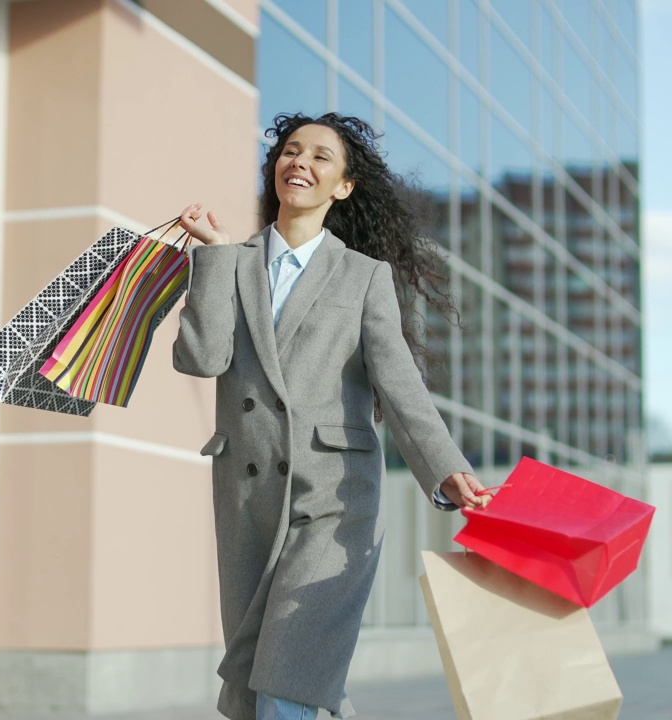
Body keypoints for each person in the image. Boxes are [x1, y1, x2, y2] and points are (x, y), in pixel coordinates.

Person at [173, 112, 490, 720]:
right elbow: (201, 357)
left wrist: (446, 470)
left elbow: (399, 383)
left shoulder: (364, 277)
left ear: (342, 186)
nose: (301, 163)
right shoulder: (232, 262)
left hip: (334, 500)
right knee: (262, 681)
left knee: (289, 676)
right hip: (248, 498)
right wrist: (212, 258)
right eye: (291, 151)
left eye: (321, 157)